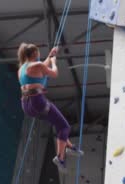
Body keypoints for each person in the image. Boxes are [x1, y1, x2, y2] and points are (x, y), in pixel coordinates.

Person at [17, 43, 83, 171]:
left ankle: (68, 146)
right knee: (64, 126)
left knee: (58, 124)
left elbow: (40, 68)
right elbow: (53, 73)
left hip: (26, 105)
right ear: (35, 53)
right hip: (38, 102)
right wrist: (54, 62)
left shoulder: (22, 69)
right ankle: (60, 157)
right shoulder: (38, 65)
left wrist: (50, 55)